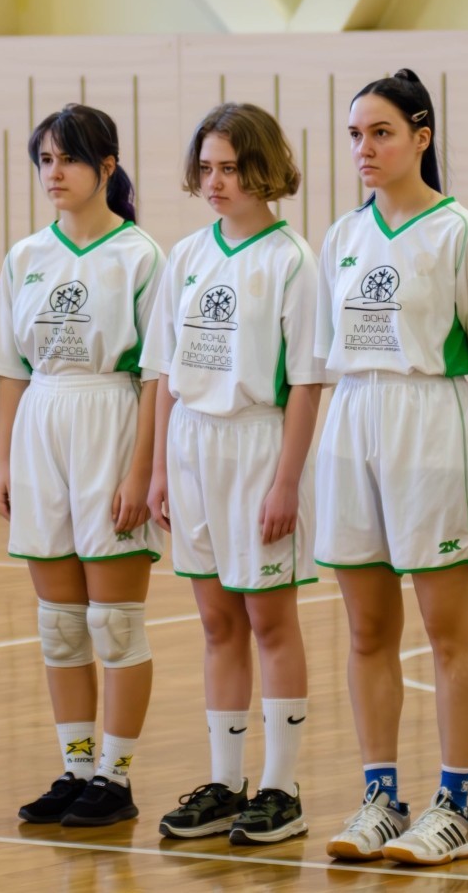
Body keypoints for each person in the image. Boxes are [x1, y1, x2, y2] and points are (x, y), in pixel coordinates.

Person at [314, 69, 468, 865]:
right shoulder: (341, 236)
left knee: (446, 630)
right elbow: (325, 351)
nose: (364, 148)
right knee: (367, 630)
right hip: (353, 419)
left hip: (431, 421)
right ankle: (381, 797)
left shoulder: (461, 233)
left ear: (421, 138)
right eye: (355, 135)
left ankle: (456, 805)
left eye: (382, 133)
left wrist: (455, 446)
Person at [144, 102, 323, 846]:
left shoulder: (293, 260)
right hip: (192, 446)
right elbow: (163, 371)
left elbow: (307, 383)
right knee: (217, 623)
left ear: (265, 168)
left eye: (231, 168)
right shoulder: (186, 255)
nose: (216, 182)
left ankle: (282, 787)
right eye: (207, 168)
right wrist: (159, 469)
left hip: (257, 445)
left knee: (269, 621)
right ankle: (225, 782)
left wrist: (286, 482)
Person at [0, 104, 164, 828]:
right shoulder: (26, 256)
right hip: (42, 425)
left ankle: (116, 777)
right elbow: (8, 367)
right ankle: (77, 768)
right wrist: (1, 460)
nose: (53, 173)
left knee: (114, 623)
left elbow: (157, 377)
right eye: (45, 161)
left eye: (68, 159)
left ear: (107, 167)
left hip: (110, 420)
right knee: (60, 625)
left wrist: (141, 472)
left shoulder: (141, 256)